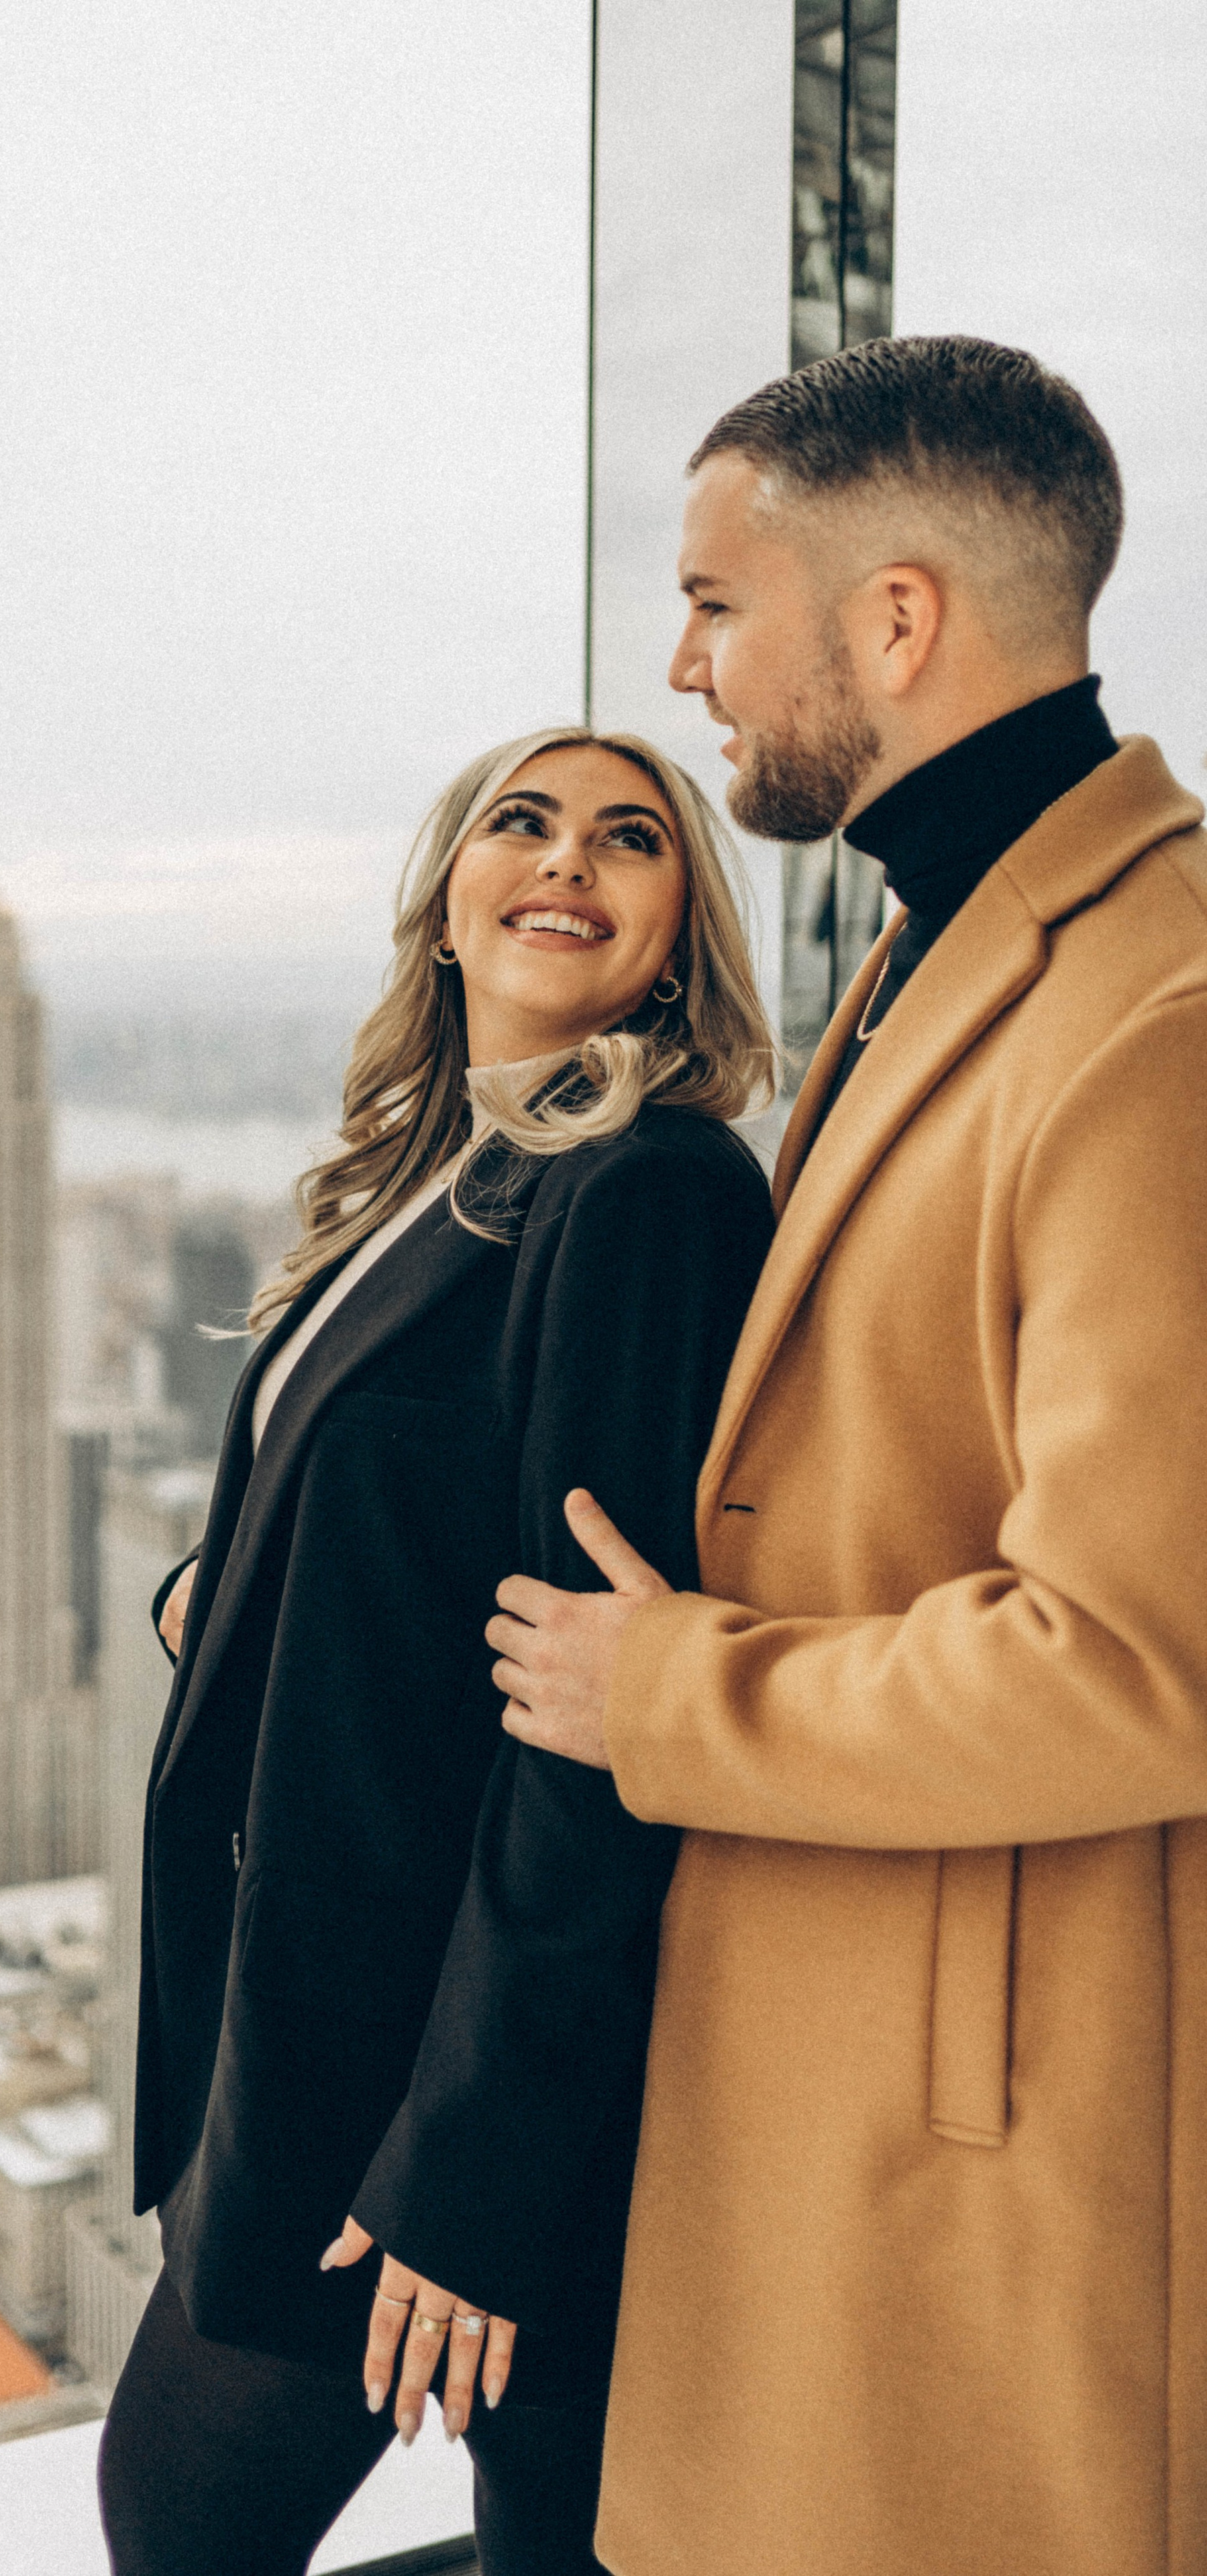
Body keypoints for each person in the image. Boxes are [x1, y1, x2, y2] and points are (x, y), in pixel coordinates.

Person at [492, 335, 1207, 2576]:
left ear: (895, 621)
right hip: (835, 2066)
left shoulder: (1156, 1020)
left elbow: (1136, 1657)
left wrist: (674, 1698)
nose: (683, 666)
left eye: (719, 602)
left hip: (969, 2137)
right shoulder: (944, 934)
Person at [96, 726, 776, 2576]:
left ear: (676, 942)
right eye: (522, 821)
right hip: (330, 2025)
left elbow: (596, 1702)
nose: (569, 858)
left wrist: (467, 2175)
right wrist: (231, 1580)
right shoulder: (438, 1172)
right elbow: (420, 1517)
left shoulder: (645, 1189)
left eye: (631, 838)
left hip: (439, 2074)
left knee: (186, 2525)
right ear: (451, 901)